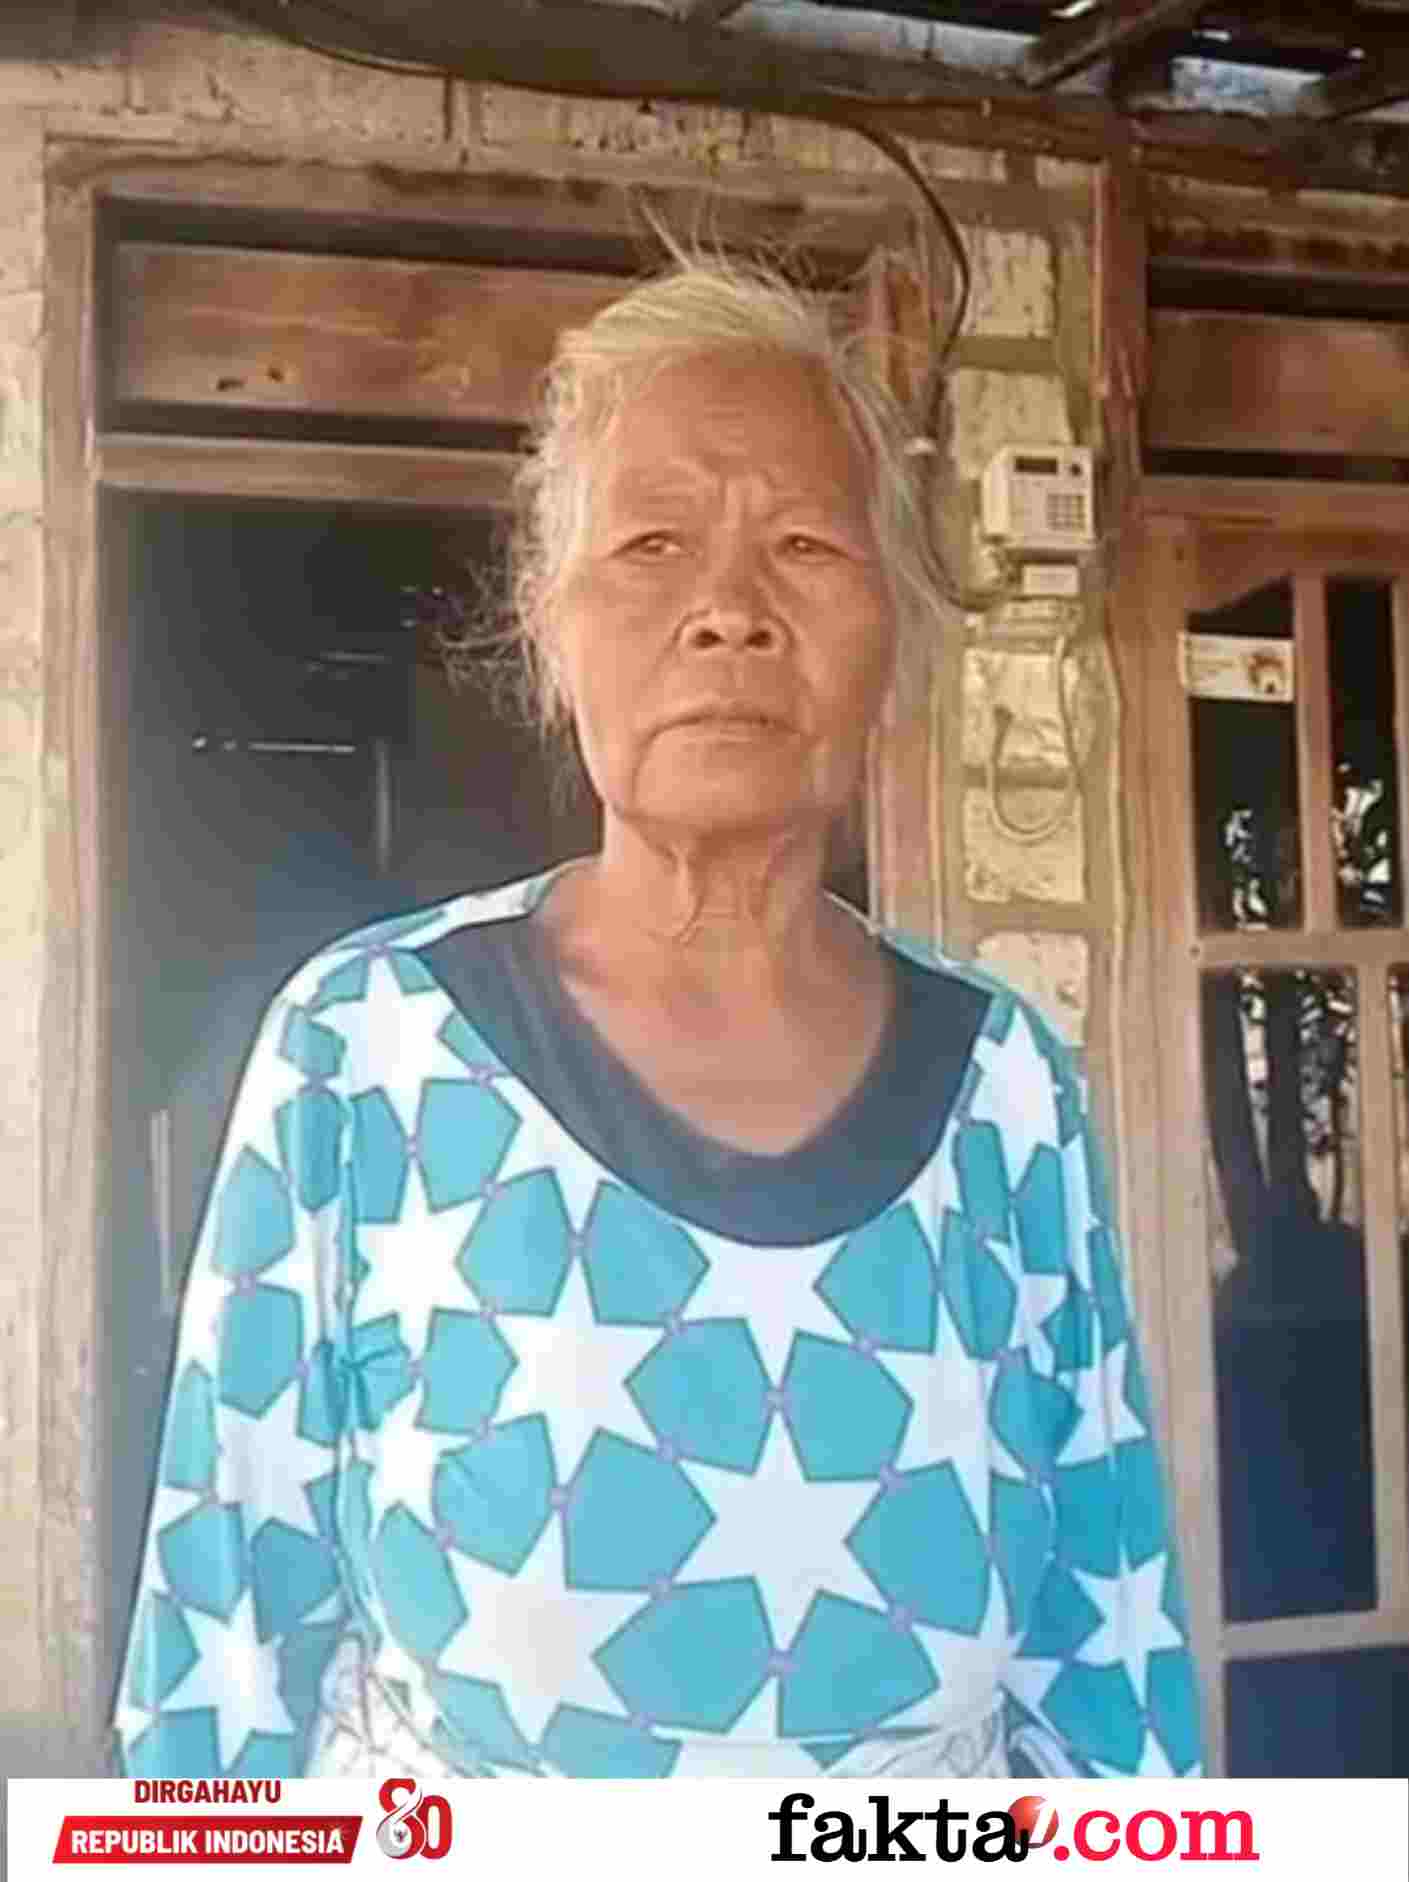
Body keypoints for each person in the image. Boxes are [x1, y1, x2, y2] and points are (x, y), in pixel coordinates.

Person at [114, 254, 1204, 1781]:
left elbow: (1107, 1658)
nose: (729, 612)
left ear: (893, 630)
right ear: (550, 627)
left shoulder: (1001, 1082)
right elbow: (218, 1655)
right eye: (650, 543)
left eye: (804, 544)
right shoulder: (362, 1051)